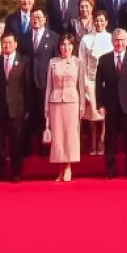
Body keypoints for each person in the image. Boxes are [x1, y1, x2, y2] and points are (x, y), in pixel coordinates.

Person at [96, 28, 127, 179]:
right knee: (110, 141)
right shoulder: (104, 59)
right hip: (111, 106)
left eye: (122, 40)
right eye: (116, 40)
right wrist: (100, 104)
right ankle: (110, 170)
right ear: (112, 41)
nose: (119, 43)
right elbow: (98, 84)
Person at [0, 33, 31, 183]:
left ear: (16, 44)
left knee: (16, 142)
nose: (7, 45)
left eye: (9, 42)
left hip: (17, 108)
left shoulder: (24, 61)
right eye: (4, 43)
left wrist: (27, 109)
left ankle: (16, 173)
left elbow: (27, 87)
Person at [45, 34, 84, 183]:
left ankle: (68, 167)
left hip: (72, 102)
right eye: (63, 45)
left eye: (68, 45)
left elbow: (81, 85)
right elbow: (49, 86)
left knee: (70, 135)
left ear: (73, 46)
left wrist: (81, 107)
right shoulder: (53, 62)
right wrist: (46, 107)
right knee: (58, 136)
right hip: (55, 102)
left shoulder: (78, 63)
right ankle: (60, 168)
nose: (65, 48)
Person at [21, 8, 59, 156]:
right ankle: (28, 146)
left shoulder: (54, 38)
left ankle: (45, 145)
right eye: (33, 17)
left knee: (45, 115)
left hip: (45, 81)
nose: (36, 19)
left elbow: (55, 60)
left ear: (44, 19)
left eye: (39, 17)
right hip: (27, 82)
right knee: (29, 115)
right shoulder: (23, 38)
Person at [79, 11, 113, 155]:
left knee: (104, 112)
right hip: (91, 79)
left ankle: (102, 140)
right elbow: (82, 62)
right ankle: (92, 140)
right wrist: (84, 82)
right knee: (92, 111)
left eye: (102, 21)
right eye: (96, 21)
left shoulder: (111, 38)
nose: (99, 24)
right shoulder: (86, 39)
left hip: (107, 80)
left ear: (106, 22)